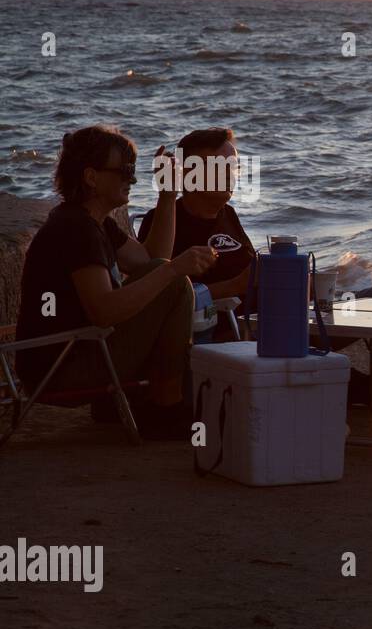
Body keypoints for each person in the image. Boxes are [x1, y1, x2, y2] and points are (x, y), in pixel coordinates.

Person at [15, 126, 217, 437]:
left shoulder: (94, 223)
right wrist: (175, 270)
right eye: (123, 171)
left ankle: (136, 403)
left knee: (167, 278)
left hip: (78, 356)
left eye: (133, 170)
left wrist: (167, 194)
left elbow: (151, 260)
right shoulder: (76, 229)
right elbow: (104, 311)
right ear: (91, 178)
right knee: (174, 282)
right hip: (61, 371)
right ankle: (166, 408)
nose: (132, 179)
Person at [137, 127, 255, 339]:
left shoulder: (228, 214)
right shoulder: (164, 222)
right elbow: (158, 297)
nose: (230, 174)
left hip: (259, 323)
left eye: (233, 166)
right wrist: (234, 286)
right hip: (218, 335)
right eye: (219, 167)